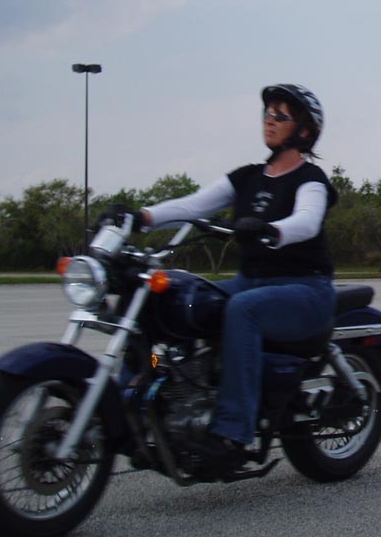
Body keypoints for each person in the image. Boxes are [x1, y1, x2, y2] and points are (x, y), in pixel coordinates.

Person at [136, 84, 338, 472]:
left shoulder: (311, 178)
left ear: (304, 130)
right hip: (249, 282)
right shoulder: (247, 177)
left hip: (305, 289)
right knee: (172, 298)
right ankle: (153, 399)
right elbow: (192, 206)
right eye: (267, 113)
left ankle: (233, 433)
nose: (269, 120)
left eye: (281, 115)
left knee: (242, 309)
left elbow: (307, 220)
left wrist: (272, 230)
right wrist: (140, 217)